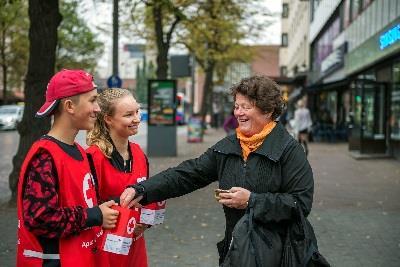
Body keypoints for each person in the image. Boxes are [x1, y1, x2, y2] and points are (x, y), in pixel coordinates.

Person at [120, 76, 314, 266]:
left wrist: (252, 201)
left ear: (268, 110)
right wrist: (143, 190)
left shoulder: (289, 150)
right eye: (237, 106)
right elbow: (189, 173)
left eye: (246, 107)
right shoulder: (228, 147)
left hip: (280, 254)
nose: (238, 113)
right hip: (237, 251)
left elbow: (300, 203)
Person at [16, 69, 119, 267]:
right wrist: (95, 215)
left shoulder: (80, 152)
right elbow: (40, 218)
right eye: (92, 101)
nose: (98, 109)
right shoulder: (45, 155)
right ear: (70, 106)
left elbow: (84, 200)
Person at [86, 88, 149, 267]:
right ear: (108, 119)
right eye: (129, 114)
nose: (137, 118)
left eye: (137, 111)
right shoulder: (92, 157)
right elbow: (86, 209)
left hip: (135, 248)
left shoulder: (138, 152)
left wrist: (144, 223)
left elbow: (146, 197)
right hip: (104, 251)